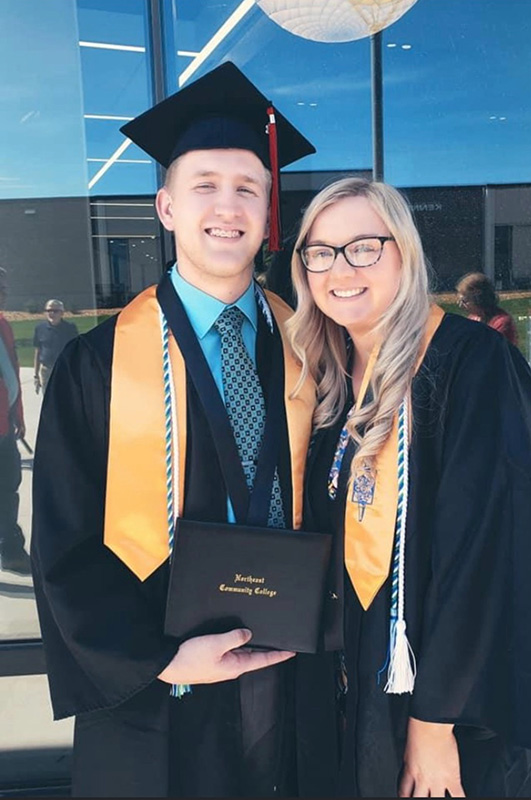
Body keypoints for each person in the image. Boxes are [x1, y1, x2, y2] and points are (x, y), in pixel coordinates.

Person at [31, 62, 317, 798]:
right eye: (205, 186)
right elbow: (62, 543)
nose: (229, 206)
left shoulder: (311, 351)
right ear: (165, 207)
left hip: (287, 681)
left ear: (268, 210)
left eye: (248, 188)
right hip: (154, 688)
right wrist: (156, 659)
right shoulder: (97, 365)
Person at [287, 178, 531, 797]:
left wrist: (433, 722)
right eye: (321, 251)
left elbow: (484, 558)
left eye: (364, 246)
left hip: (459, 716)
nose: (341, 268)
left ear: (405, 253)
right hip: (365, 694)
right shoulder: (332, 383)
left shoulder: (474, 366)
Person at [0, 267, 31, 576]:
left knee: (9, 488)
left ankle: (9, 550)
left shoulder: (4, 325)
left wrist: (17, 415)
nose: (4, 292)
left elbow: (10, 375)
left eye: (4, 286)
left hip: (4, 426)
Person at [456, 271, 518, 345]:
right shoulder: (473, 318)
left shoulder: (502, 323)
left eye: (464, 301)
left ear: (479, 299)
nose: (460, 305)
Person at [33, 298, 78, 394]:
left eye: (55, 311)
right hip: (46, 370)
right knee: (48, 398)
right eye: (49, 310)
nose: (52, 313)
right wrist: (36, 375)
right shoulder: (40, 328)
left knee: (65, 397)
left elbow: (76, 351)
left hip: (65, 370)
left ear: (62, 313)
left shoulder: (70, 328)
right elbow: (38, 351)